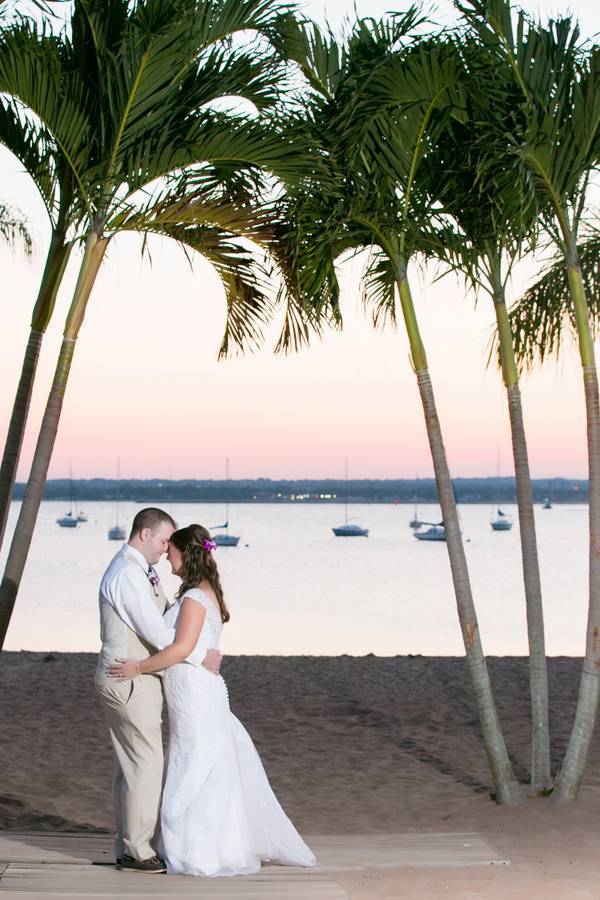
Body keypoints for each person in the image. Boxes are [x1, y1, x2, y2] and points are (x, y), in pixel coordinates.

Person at [109, 523, 316, 877]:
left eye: (171, 553)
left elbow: (181, 648)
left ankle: (197, 849)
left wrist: (138, 667)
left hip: (194, 692)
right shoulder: (205, 592)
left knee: (194, 766)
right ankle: (211, 843)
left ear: (186, 555)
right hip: (196, 690)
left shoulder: (193, 598)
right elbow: (195, 647)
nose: (167, 560)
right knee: (203, 763)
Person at [95, 508, 221, 874]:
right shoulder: (126, 575)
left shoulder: (138, 571)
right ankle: (137, 851)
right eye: (165, 540)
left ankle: (127, 845)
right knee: (146, 765)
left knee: (131, 766)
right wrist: (202, 656)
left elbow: (166, 615)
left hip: (135, 679)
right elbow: (160, 633)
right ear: (145, 534)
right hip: (128, 679)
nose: (167, 549)